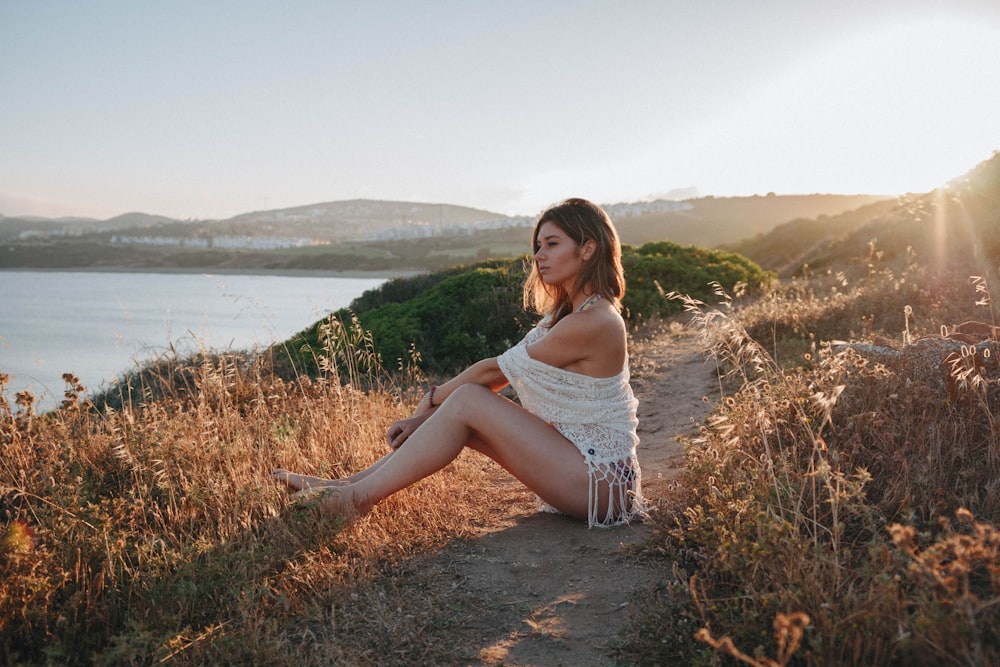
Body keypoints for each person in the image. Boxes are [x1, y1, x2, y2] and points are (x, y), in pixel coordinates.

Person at [273, 198, 644, 528]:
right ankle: (348, 487)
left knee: (468, 399)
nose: (538, 256)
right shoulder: (569, 316)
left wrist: (432, 399)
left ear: (588, 249)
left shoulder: (592, 321)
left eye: (552, 244)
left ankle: (354, 500)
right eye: (537, 246)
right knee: (467, 407)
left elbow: (493, 371)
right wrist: (429, 415)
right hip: (585, 474)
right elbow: (497, 378)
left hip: (602, 487)